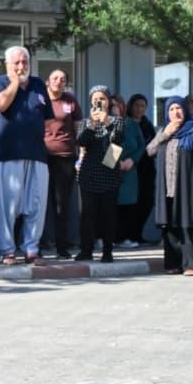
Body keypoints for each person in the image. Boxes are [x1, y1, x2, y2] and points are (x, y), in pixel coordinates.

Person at [0, 47, 53, 263]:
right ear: (7, 64)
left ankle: (31, 249)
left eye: (24, 62)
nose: (21, 66)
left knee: (36, 204)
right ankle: (7, 250)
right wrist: (15, 82)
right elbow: (0, 105)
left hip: (37, 154)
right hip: (8, 153)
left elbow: (48, 119)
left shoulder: (37, 84)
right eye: (16, 63)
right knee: (8, 205)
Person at [148, 97, 193, 275]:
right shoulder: (164, 134)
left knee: (189, 223)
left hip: (189, 186)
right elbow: (149, 151)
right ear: (167, 113)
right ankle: (174, 262)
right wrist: (165, 134)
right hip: (167, 187)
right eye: (171, 109)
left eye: (179, 108)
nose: (176, 112)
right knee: (170, 225)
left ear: (185, 110)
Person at [75, 86, 127, 263]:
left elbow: (117, 141)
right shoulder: (86, 122)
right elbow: (81, 142)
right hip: (89, 173)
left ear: (109, 101)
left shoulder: (117, 121)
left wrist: (106, 122)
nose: (99, 102)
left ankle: (107, 251)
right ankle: (86, 250)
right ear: (91, 101)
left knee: (108, 215)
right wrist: (93, 124)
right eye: (96, 99)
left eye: (103, 99)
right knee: (87, 215)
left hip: (109, 174)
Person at [40, 70, 82, 258]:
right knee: (39, 202)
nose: (59, 81)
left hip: (65, 157)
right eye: (55, 78)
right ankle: (37, 245)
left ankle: (61, 246)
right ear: (48, 81)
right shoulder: (40, 99)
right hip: (42, 157)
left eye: (63, 79)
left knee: (61, 204)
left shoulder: (70, 100)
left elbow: (79, 129)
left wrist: (81, 154)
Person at [119, 94, 156, 247]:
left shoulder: (147, 125)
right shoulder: (123, 124)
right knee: (128, 203)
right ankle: (124, 236)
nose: (140, 109)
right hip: (127, 169)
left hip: (145, 168)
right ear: (130, 106)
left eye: (143, 106)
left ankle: (136, 234)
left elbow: (151, 146)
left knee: (146, 201)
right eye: (137, 105)